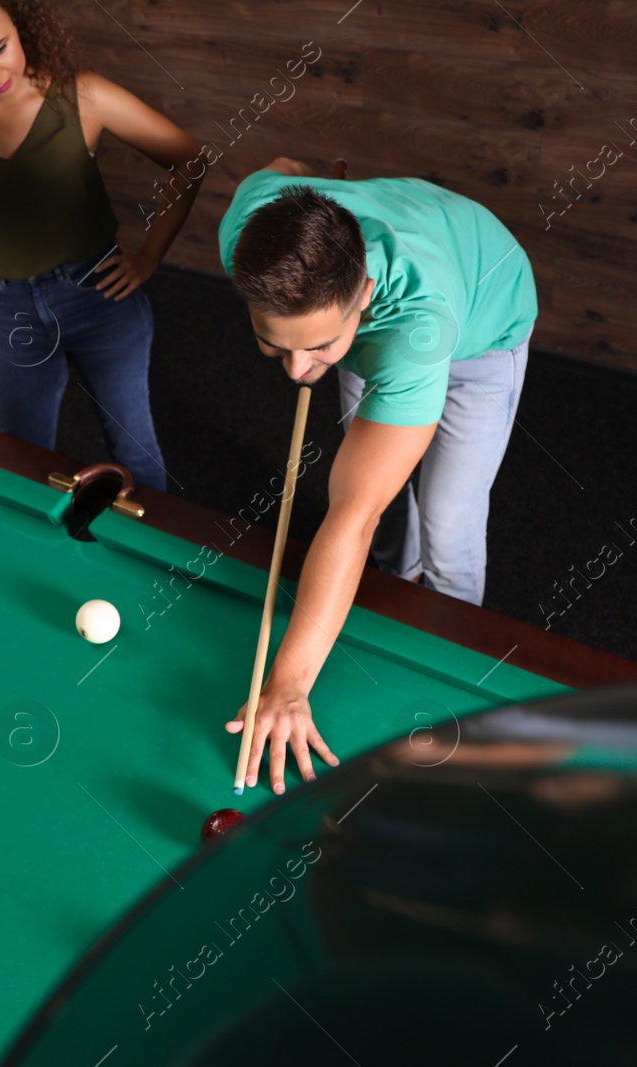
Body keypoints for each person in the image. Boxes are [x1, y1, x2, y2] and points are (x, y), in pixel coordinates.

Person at [217, 157, 537, 793]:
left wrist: (287, 684)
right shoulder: (249, 228)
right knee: (384, 503)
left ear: (362, 294)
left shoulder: (417, 322)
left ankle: (447, 660)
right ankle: (399, 578)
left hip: (483, 319)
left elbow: (349, 516)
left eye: (317, 349)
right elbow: (279, 170)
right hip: (375, 306)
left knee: (445, 515)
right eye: (275, 344)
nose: (297, 370)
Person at [0, 0, 202, 490]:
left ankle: (161, 564)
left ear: (21, 26)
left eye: (0, 49)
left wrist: (148, 256)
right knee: (22, 463)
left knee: (135, 456)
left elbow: (189, 161)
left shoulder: (83, 96)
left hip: (100, 299)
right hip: (12, 311)